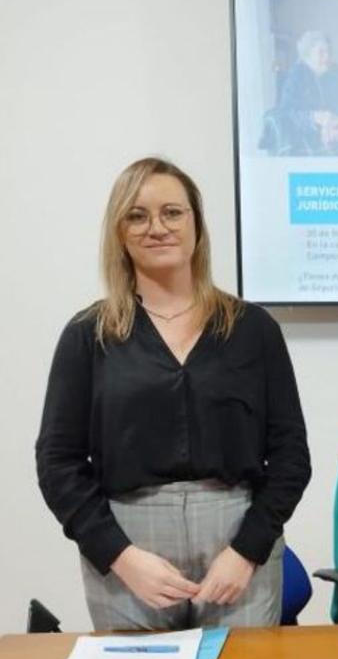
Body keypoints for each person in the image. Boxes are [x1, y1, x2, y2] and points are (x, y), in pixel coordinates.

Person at [35, 158, 311, 631]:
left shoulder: (253, 329)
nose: (156, 228)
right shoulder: (88, 335)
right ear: (119, 233)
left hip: (235, 543)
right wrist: (118, 556)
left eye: (172, 213)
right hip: (129, 548)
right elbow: (57, 463)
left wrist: (246, 552)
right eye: (137, 216)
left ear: (197, 226)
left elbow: (290, 456)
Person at [273, 31, 338, 155]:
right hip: (308, 145)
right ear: (307, 56)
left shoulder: (334, 72)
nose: (327, 57)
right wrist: (314, 117)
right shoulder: (296, 77)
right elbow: (286, 114)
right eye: (321, 53)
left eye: (329, 52)